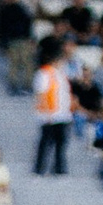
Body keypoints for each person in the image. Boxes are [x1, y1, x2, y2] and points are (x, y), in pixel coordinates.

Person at [31, 37, 73, 176]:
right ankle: (39, 168)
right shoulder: (44, 73)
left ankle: (60, 168)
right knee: (46, 143)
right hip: (50, 115)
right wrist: (46, 113)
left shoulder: (60, 73)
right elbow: (41, 95)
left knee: (61, 144)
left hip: (62, 114)